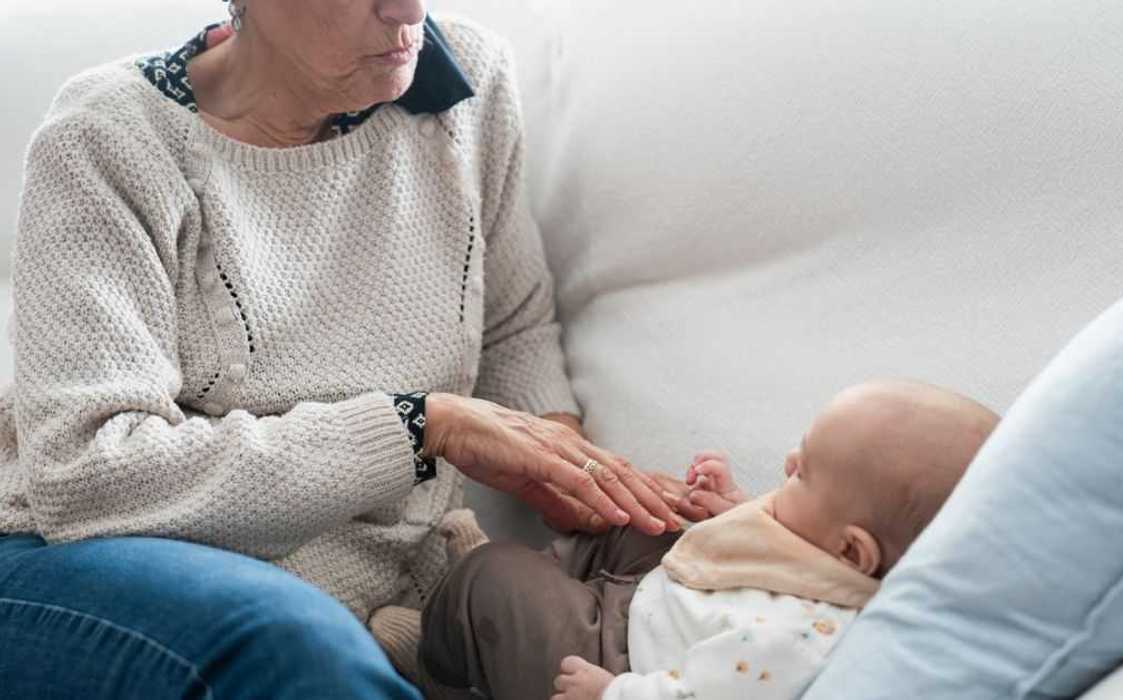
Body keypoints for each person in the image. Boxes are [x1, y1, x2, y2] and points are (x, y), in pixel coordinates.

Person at [0, 1, 680, 697]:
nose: (408, 9)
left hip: (366, 594)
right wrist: (419, 425)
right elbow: (86, 476)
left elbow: (510, 327)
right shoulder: (107, 137)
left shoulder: (465, 81)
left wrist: (574, 479)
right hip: (81, 559)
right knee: (293, 639)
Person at [407, 380, 1001, 700]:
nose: (789, 462)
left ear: (852, 552)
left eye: (804, 473)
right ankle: (514, 622)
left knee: (496, 575)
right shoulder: (834, 551)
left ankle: (442, 668)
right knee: (642, 522)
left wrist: (613, 693)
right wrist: (735, 509)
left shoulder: (793, 645)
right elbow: (777, 550)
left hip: (625, 663)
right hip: (669, 601)